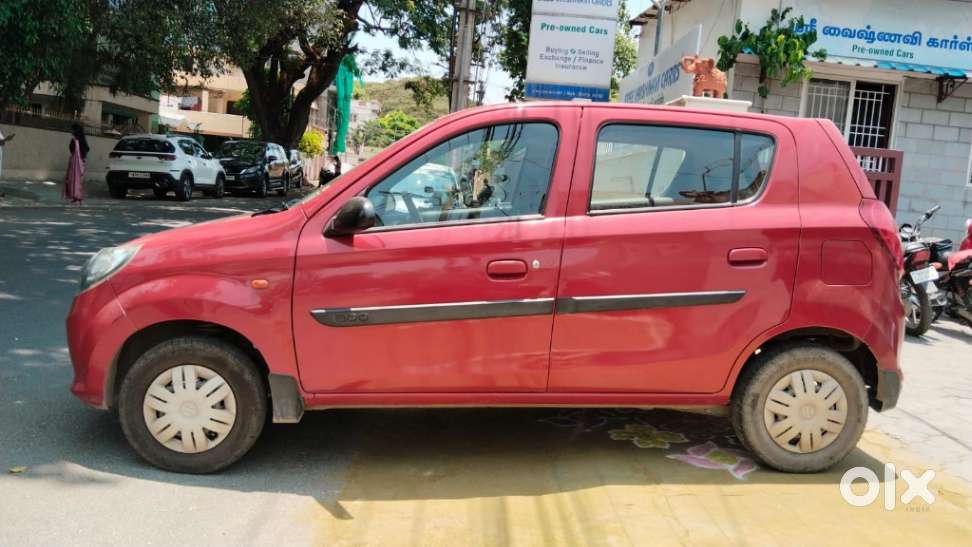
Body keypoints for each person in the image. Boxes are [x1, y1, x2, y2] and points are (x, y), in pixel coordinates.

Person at [63, 124, 88, 204]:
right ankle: (78, 197)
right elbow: (87, 148)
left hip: (75, 162)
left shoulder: (74, 140)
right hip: (81, 161)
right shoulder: (82, 140)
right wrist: (83, 157)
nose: (71, 131)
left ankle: (75, 196)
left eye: (72, 129)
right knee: (79, 180)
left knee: (73, 179)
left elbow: (71, 149)